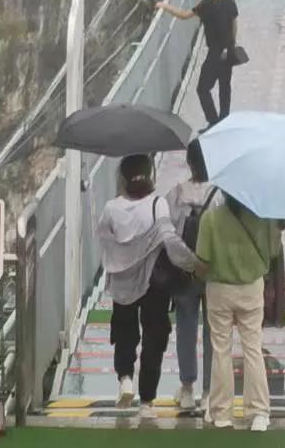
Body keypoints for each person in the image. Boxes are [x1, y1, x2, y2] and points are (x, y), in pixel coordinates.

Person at [98, 154, 196, 412]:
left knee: (124, 333)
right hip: (155, 281)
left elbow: (105, 245)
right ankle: (147, 400)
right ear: (150, 175)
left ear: (123, 177)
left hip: (122, 285)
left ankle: (125, 379)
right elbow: (170, 240)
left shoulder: (111, 208)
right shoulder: (158, 204)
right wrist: (192, 263)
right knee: (155, 336)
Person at [195, 193, 277, 432]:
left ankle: (222, 412)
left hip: (219, 288)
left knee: (221, 349)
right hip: (252, 287)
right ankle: (259, 412)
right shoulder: (264, 217)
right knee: (253, 348)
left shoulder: (210, 218)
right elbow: (273, 251)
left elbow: (203, 261)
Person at [167, 140, 218, 416]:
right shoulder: (221, 195)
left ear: (189, 162)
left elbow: (168, 235)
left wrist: (189, 263)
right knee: (214, 331)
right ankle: (210, 393)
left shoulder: (175, 194)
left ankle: (187, 388)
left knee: (185, 327)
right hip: (214, 273)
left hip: (185, 272)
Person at [156, 0, 239, 128]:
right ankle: (224, 120)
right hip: (228, 51)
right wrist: (232, 44)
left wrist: (165, 6)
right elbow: (234, 25)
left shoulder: (205, 5)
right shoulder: (231, 3)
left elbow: (183, 15)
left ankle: (213, 121)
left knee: (202, 89)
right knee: (224, 86)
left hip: (214, 53)